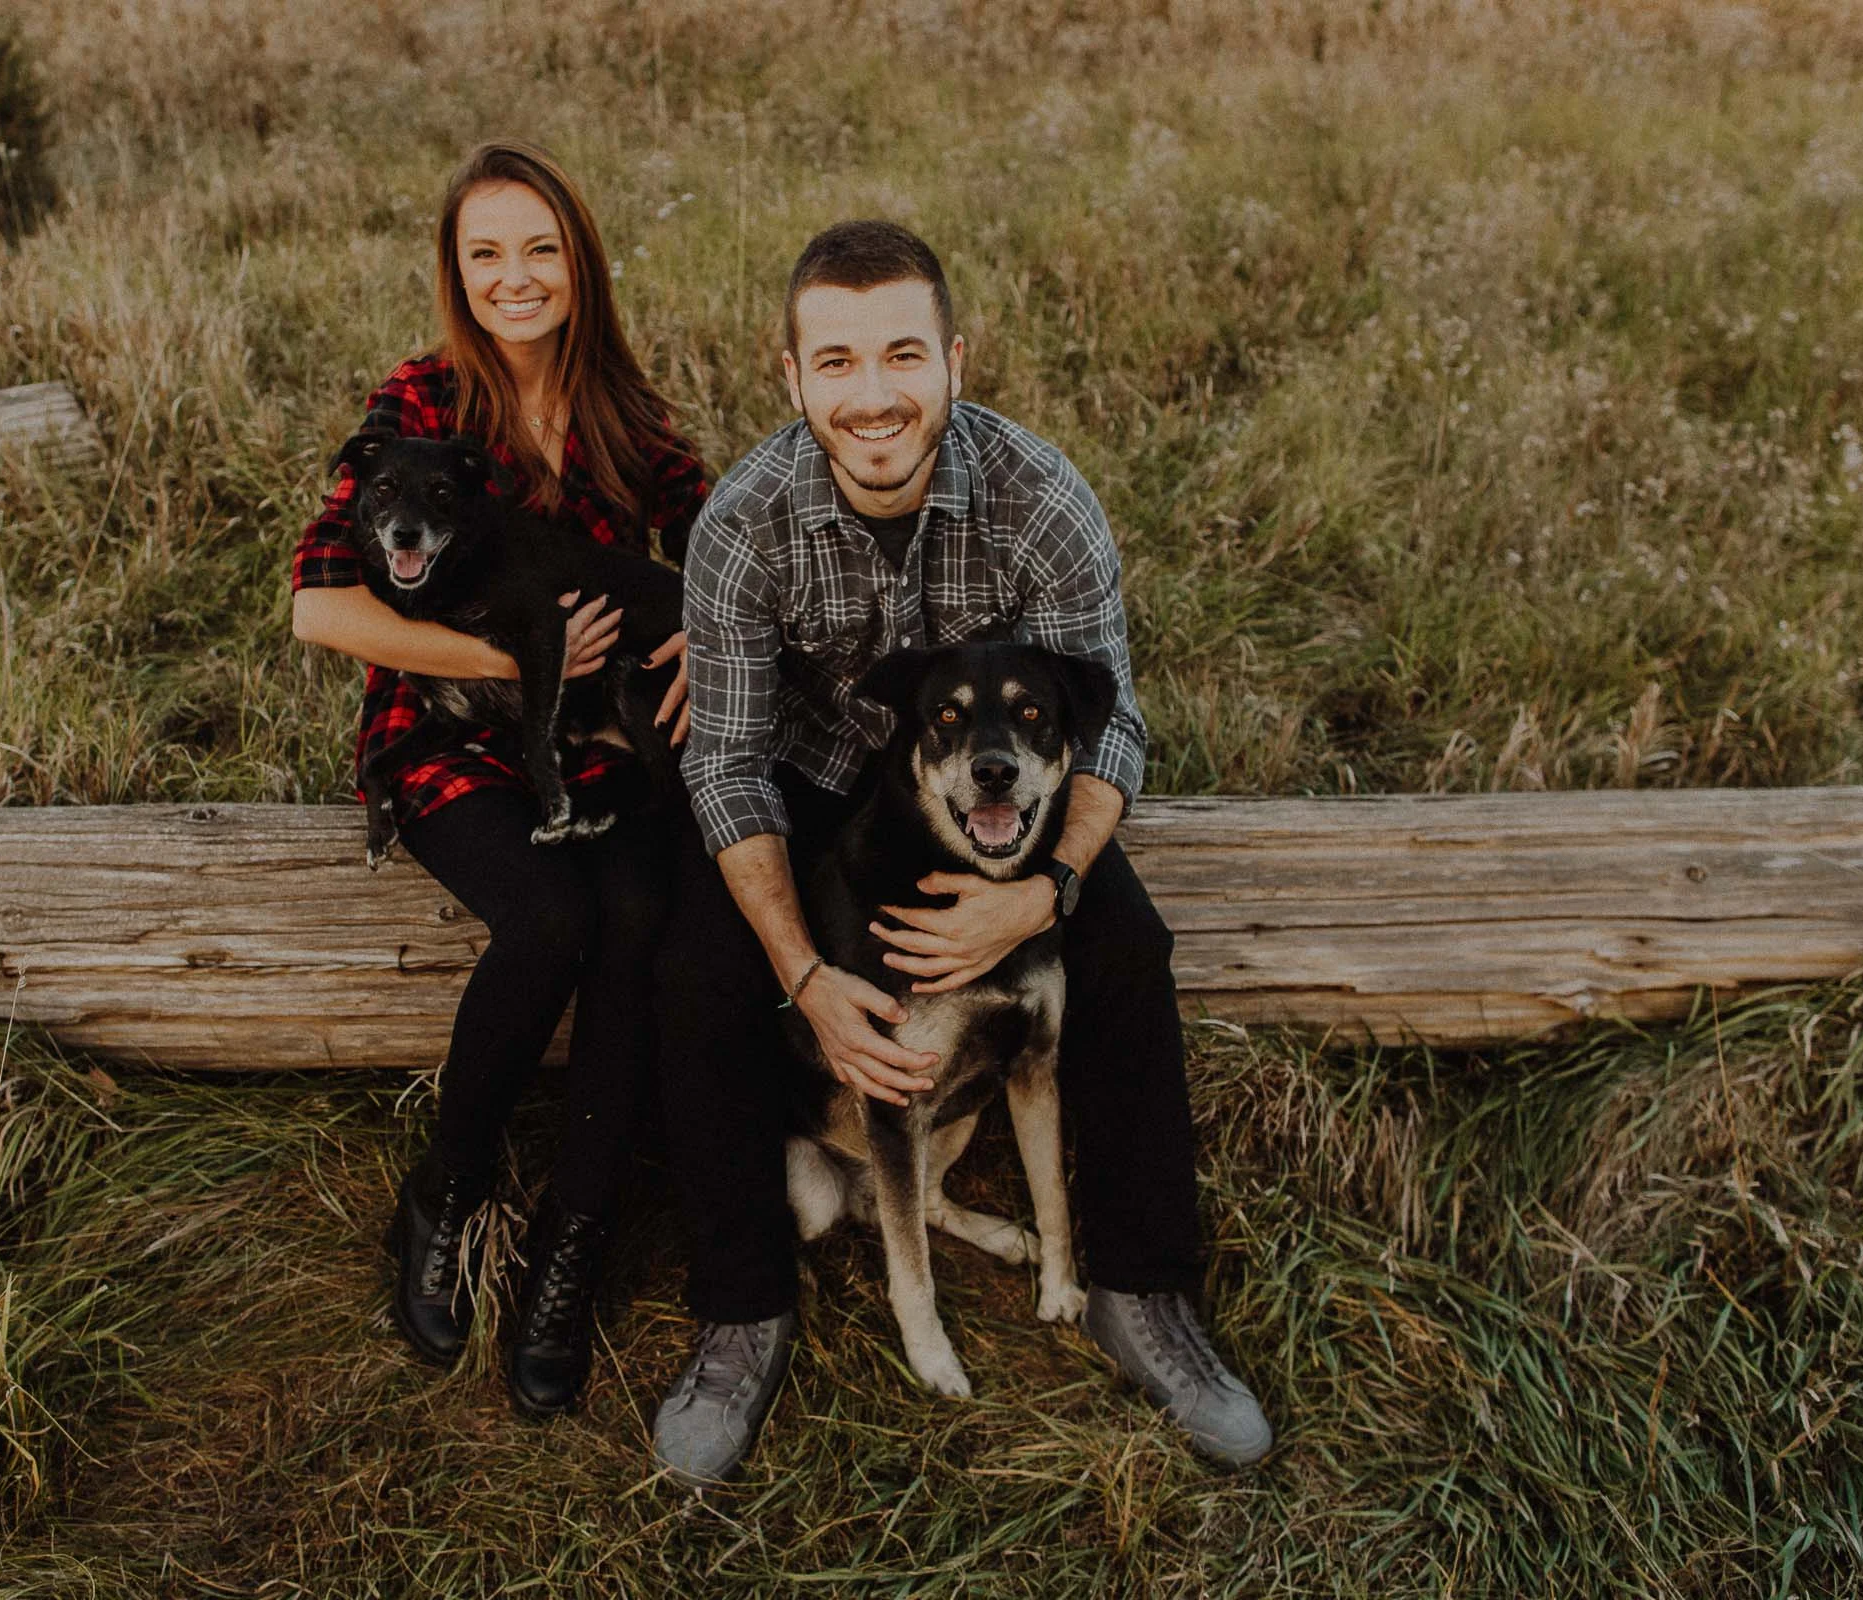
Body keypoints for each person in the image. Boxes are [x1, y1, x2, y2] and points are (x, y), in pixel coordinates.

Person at [646, 220, 1273, 1482]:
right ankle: (742, 1309)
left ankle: (1141, 1289)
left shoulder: (1042, 498)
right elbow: (725, 764)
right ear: (792, 375)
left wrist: (1048, 892)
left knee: (1127, 950)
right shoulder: (746, 518)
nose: (872, 395)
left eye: (902, 355)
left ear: (954, 360)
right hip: (810, 782)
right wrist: (805, 974)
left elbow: (1113, 728)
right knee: (701, 971)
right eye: (837, 362)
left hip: (1004, 800)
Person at [288, 139, 708, 1418]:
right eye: (485, 254)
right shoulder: (419, 400)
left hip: (597, 747)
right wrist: (505, 658)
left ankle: (571, 1242)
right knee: (551, 915)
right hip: (445, 732)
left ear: (580, 261)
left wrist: (711, 631)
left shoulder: (630, 411)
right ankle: (450, 1188)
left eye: (539, 249)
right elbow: (320, 606)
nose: (514, 277)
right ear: (455, 271)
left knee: (638, 913)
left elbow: (718, 541)